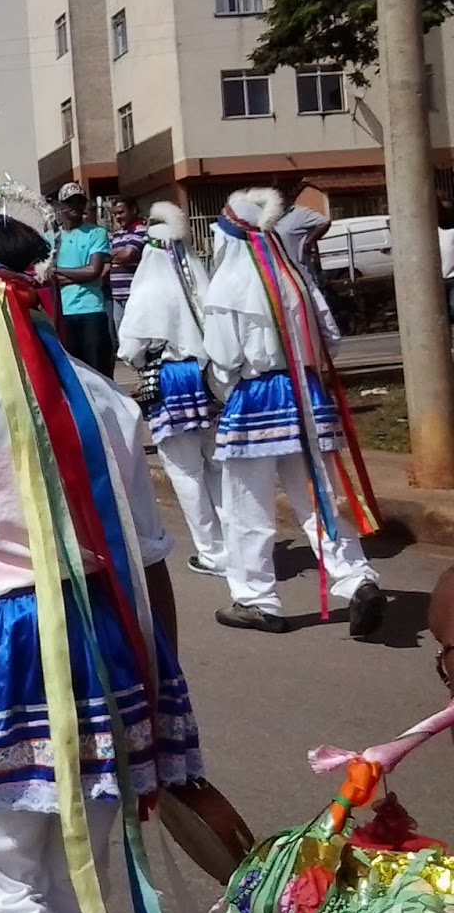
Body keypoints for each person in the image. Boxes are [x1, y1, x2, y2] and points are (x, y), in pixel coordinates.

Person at [0, 191, 201, 913]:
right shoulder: (101, 394)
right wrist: (161, 677)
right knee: (78, 874)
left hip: (14, 639)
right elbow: (150, 556)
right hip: (111, 637)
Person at [203, 187, 385, 637]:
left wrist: (226, 389)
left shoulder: (227, 282)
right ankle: (356, 578)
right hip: (306, 396)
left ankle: (257, 599)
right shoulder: (295, 275)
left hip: (257, 398)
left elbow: (223, 357)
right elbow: (331, 339)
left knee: (248, 506)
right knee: (318, 497)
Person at [116, 201, 228, 576]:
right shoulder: (201, 284)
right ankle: (237, 548)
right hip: (208, 378)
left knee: (185, 472)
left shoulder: (148, 289)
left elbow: (131, 348)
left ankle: (212, 552)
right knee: (217, 467)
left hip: (170, 380)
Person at [51, 183, 114, 376]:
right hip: (62, 313)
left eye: (80, 202)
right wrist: (80, 275)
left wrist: (58, 270)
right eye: (70, 202)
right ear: (60, 205)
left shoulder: (96, 233)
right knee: (73, 373)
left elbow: (94, 270)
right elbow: (47, 278)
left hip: (91, 310)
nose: (76, 206)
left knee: (98, 371)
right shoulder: (51, 238)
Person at [273, 182, 330, 286]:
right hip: (280, 277)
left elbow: (324, 222)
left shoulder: (299, 213)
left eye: (279, 197)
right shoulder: (270, 220)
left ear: (287, 197)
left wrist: (309, 241)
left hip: (302, 275)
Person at [107, 197, 148, 331]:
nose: (118, 217)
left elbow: (128, 255)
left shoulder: (141, 230)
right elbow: (105, 257)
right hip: (117, 297)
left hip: (134, 296)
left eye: (121, 212)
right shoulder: (117, 235)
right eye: (115, 214)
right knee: (122, 338)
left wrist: (110, 256)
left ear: (133, 210)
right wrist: (115, 254)